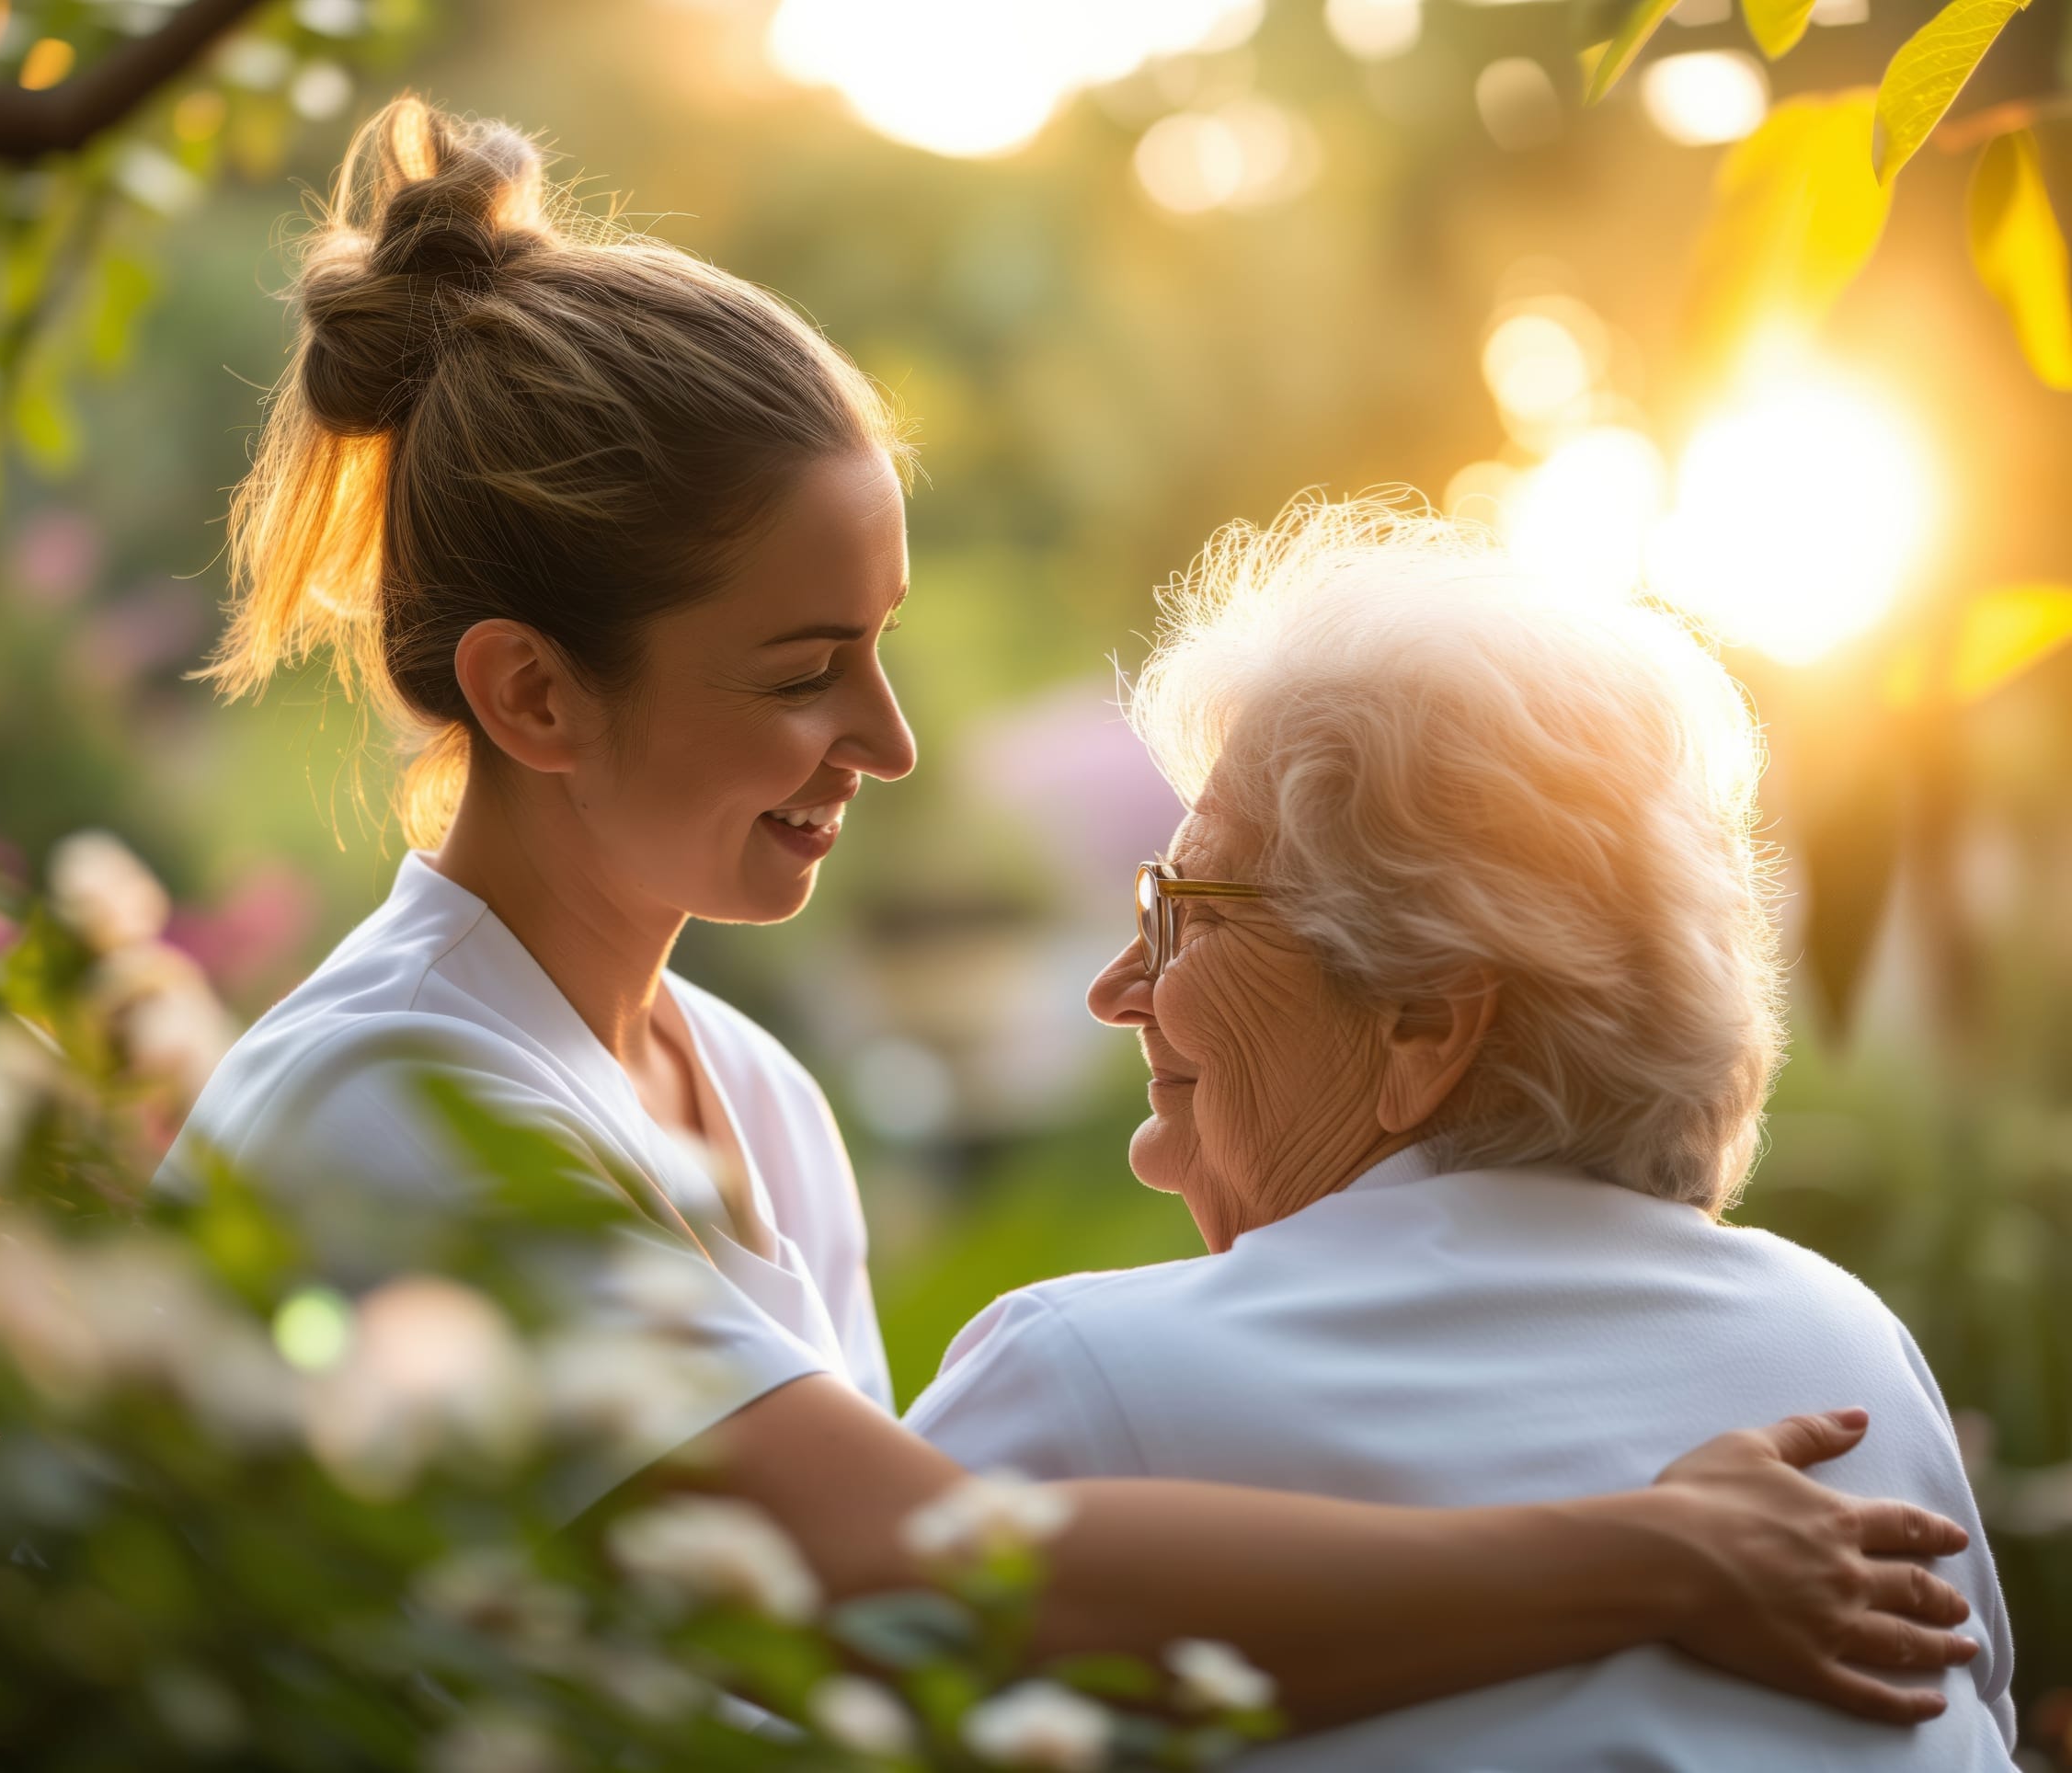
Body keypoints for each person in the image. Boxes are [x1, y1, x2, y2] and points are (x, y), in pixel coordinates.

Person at [162, 94, 1984, 1731]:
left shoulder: (760, 1103)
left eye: (877, 645)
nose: (886, 739)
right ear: (534, 695)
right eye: (801, 671)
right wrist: (1643, 1555)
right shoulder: (395, 1096)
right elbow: (925, 1585)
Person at [905, 502, 2017, 1767]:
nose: (1118, 990)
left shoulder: (1089, 1387)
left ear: (1425, 1023)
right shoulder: (1843, 1346)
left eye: (1189, 911)